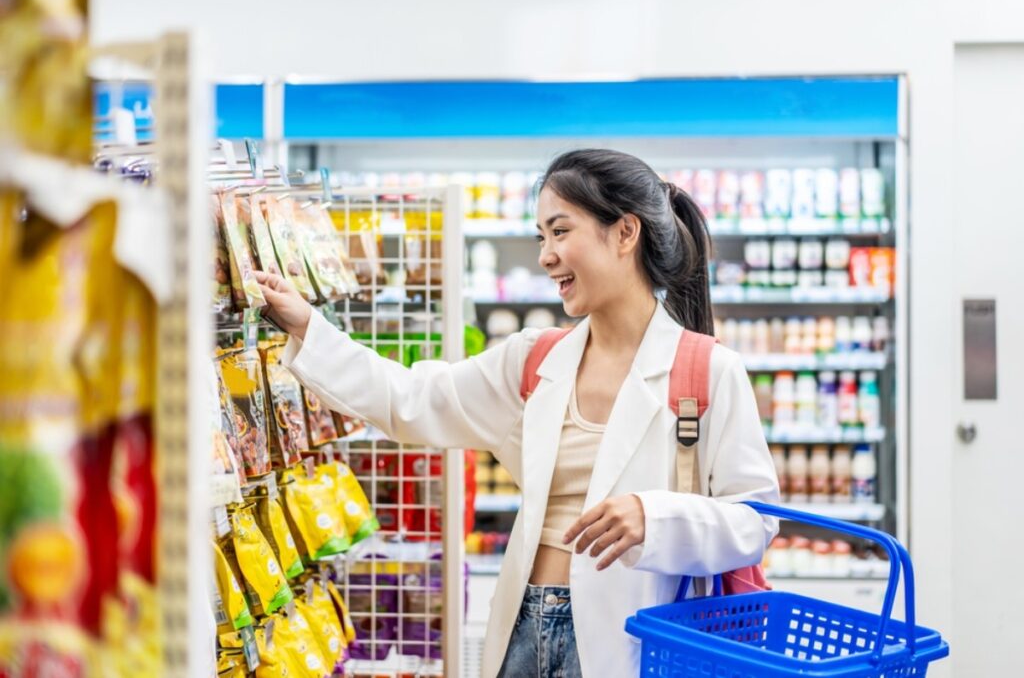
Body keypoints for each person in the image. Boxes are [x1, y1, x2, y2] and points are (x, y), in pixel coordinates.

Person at [255, 149, 780, 678]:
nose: (546, 256)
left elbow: (755, 520)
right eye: (541, 237)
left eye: (561, 231)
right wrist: (307, 326)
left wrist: (656, 517)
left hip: (633, 639)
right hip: (523, 630)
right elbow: (412, 398)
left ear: (625, 233)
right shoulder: (534, 360)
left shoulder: (708, 371)